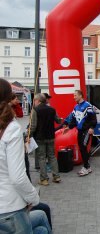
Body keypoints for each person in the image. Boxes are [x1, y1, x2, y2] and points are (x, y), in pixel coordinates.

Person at [0, 78, 40, 233]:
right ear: (9, 98)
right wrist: (33, 198)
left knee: (42, 227)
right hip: (9, 208)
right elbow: (17, 177)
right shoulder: (12, 129)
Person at [30, 93, 63, 186]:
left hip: (40, 138)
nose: (34, 102)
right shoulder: (52, 109)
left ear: (38, 100)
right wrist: (61, 120)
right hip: (50, 136)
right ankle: (56, 176)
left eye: (34, 100)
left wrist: (28, 136)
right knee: (52, 156)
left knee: (41, 158)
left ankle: (44, 179)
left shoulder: (35, 110)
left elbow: (33, 126)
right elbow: (58, 120)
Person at [65, 90, 97, 176]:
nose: (74, 97)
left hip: (86, 131)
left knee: (83, 147)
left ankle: (86, 167)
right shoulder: (76, 107)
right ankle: (88, 166)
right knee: (81, 148)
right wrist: (68, 127)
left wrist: (92, 127)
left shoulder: (88, 106)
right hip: (80, 131)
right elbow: (74, 120)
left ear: (80, 96)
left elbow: (93, 118)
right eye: (74, 95)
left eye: (75, 95)